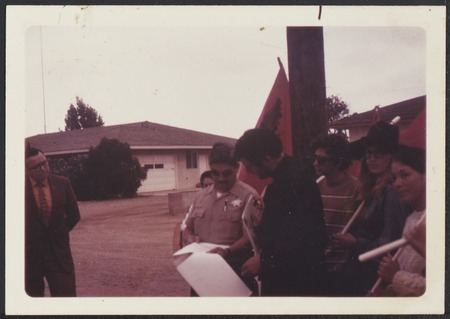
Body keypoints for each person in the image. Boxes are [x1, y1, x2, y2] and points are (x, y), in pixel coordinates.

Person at [234, 128, 328, 296]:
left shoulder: (295, 183)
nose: (248, 172)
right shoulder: (290, 176)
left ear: (266, 158)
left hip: (298, 285)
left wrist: (263, 262)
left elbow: (304, 241)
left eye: (249, 166)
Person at [332, 120, 409, 295]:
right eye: (368, 154)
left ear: (392, 156)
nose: (372, 160)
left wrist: (355, 242)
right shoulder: (371, 189)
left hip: (375, 277)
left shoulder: (392, 191)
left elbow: (390, 245)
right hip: (360, 271)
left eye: (379, 154)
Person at [182, 142, 260, 295]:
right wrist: (189, 237)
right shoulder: (201, 196)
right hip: (202, 273)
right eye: (215, 173)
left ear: (237, 168)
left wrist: (228, 251)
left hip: (234, 271)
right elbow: (187, 226)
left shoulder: (249, 196)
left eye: (227, 173)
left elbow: (250, 237)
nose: (220, 178)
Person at [25, 145, 81, 297]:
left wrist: (59, 233)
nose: (43, 168)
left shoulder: (62, 183)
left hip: (59, 256)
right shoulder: (16, 189)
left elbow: (74, 215)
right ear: (26, 170)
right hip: (29, 260)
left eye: (44, 163)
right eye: (36, 166)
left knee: (66, 301)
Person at [310, 134, 359, 295]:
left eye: (322, 160)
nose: (315, 163)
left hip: (344, 271)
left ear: (339, 162)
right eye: (315, 158)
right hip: (317, 266)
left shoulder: (358, 190)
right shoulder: (314, 187)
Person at [376, 145, 426, 296]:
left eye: (405, 175)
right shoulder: (411, 219)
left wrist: (395, 276)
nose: (397, 184)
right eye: (394, 178)